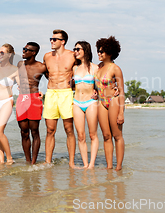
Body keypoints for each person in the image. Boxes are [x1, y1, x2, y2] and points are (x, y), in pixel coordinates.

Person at [43, 29, 77, 168]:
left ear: (63, 41)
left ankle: (71, 162)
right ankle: (47, 162)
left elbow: (86, 69)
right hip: (51, 93)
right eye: (51, 39)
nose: (52, 41)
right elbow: (44, 72)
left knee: (69, 129)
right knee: (50, 130)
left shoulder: (72, 55)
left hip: (66, 93)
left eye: (55, 39)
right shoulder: (46, 56)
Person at [95, 36, 125, 171]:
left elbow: (122, 91)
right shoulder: (98, 68)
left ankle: (118, 167)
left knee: (117, 135)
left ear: (110, 52)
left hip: (114, 101)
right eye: (98, 51)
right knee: (106, 136)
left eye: (102, 51)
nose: (99, 54)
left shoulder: (115, 68)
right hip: (101, 102)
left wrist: (121, 113)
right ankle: (109, 167)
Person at [16, 42, 47, 164]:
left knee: (34, 131)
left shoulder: (41, 67)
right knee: (23, 131)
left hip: (34, 98)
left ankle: (33, 162)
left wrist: (43, 93)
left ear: (33, 52)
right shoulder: (20, 64)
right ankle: (27, 161)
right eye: (23, 49)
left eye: (26, 49)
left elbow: (53, 79)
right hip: (22, 98)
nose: (23, 51)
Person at [72, 41, 99, 169]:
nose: (75, 51)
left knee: (92, 134)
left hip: (91, 102)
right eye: (75, 49)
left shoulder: (95, 68)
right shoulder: (74, 68)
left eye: (78, 49)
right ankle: (85, 164)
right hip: (76, 102)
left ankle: (92, 164)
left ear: (85, 51)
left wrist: (99, 93)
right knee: (80, 135)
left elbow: (103, 84)